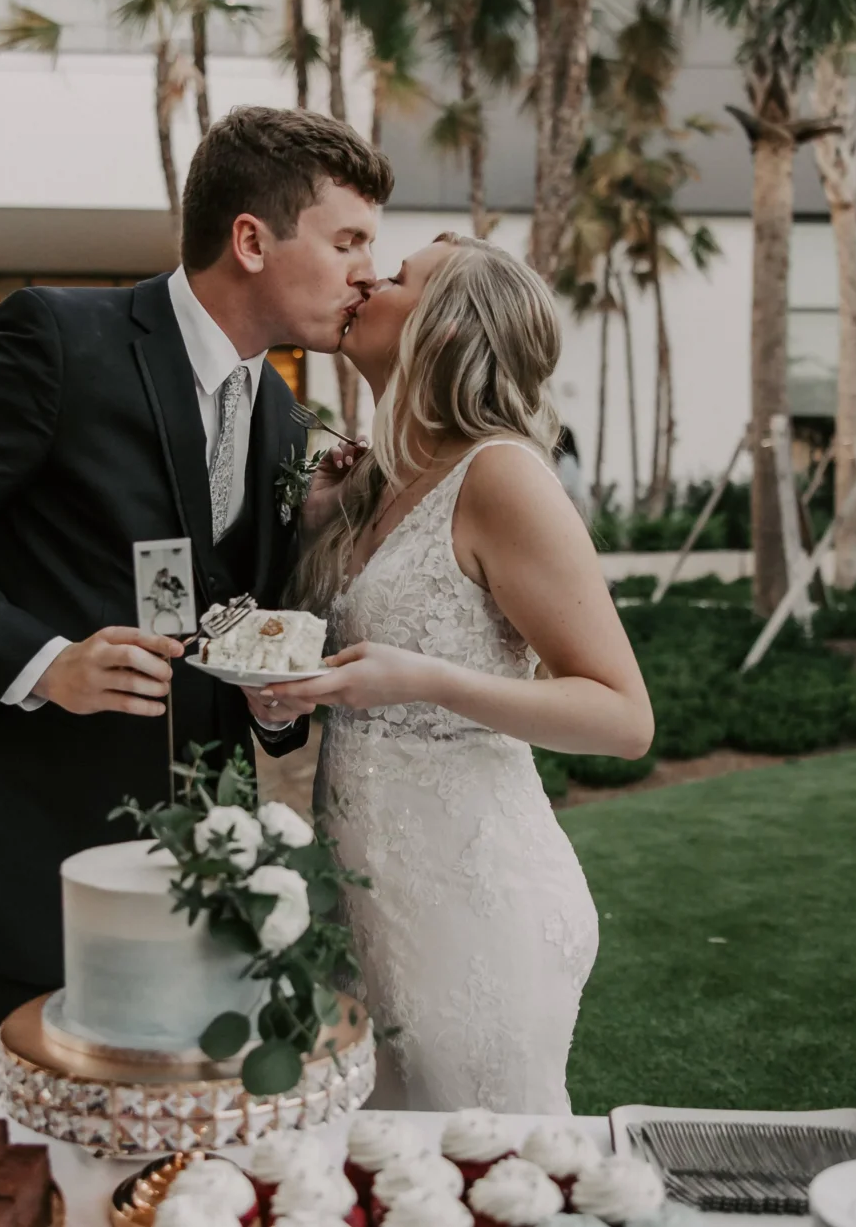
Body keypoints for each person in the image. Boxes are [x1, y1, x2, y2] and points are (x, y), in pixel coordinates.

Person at [0, 107, 393, 1074]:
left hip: (203, 885)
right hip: (22, 871)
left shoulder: (279, 416)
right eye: (347, 241)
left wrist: (270, 697)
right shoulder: (58, 338)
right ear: (251, 240)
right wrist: (45, 663)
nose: (366, 273)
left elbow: (228, 611)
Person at [251, 233, 655, 1114]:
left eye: (396, 278)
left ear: (445, 329)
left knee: (475, 1175)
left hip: (476, 911)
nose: (366, 279)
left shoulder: (502, 474)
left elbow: (624, 715)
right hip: (368, 902)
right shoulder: (372, 482)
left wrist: (425, 678)